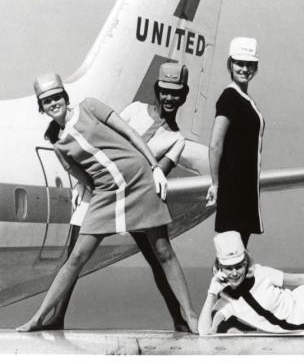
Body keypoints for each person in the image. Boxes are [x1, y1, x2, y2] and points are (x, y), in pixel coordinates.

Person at [16, 72, 198, 333]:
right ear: (41, 107)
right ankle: (39, 318)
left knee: (163, 252)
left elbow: (130, 135)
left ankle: (189, 316)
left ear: (65, 97)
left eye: (57, 97)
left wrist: (154, 167)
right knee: (76, 257)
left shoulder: (89, 106)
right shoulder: (57, 144)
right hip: (106, 193)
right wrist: (89, 188)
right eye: (47, 101)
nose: (53, 103)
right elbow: (81, 175)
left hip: (138, 180)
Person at [206, 37, 264, 248]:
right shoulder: (230, 97)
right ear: (230, 64)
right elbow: (215, 144)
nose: (245, 69)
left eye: (250, 65)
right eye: (240, 63)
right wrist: (215, 184)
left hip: (245, 188)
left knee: (238, 252)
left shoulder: (243, 98)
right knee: (231, 255)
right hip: (233, 188)